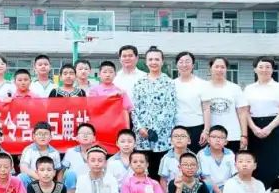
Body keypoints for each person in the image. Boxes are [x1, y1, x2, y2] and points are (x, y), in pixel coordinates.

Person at [243, 56, 279, 184]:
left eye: (268, 67)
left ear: (272, 69)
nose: (264, 70)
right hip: (254, 128)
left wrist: (269, 127)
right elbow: (245, 111)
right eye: (261, 67)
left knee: (277, 162)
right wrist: (253, 128)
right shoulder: (249, 88)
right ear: (255, 69)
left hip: (275, 127)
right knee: (257, 162)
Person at [130, 46, 176, 177]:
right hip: (141, 136)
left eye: (157, 59)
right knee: (142, 170)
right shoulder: (139, 83)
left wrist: (153, 130)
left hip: (161, 136)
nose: (153, 62)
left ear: (162, 61)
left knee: (160, 171)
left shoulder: (169, 83)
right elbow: (134, 107)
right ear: (146, 62)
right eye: (150, 59)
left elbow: (169, 109)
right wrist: (140, 128)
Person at [201, 57, 249, 154]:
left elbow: (242, 113)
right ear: (210, 68)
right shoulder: (203, 87)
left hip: (232, 136)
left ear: (226, 69)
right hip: (211, 137)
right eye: (216, 67)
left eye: (222, 67)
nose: (219, 70)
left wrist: (244, 135)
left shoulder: (235, 88)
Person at [173, 52, 207, 150]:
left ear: (193, 65)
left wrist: (206, 130)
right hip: (178, 128)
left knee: (197, 156)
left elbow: (206, 109)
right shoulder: (171, 84)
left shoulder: (202, 84)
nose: (184, 65)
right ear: (176, 65)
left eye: (187, 62)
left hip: (197, 127)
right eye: (181, 62)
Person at [198, 125, 237, 193]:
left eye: (221, 138)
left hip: (227, 187)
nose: (217, 140)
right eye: (214, 137)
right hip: (210, 189)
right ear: (208, 139)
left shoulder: (230, 154)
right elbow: (207, 179)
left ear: (226, 142)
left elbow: (235, 174)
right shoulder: (202, 155)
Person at [87, 61, 133, 128]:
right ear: (99, 74)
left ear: (115, 74)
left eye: (111, 72)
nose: (108, 75)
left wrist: (127, 128)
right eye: (104, 72)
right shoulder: (93, 91)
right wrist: (111, 96)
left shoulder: (121, 92)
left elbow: (126, 111)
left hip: (116, 127)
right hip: (98, 126)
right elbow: (92, 107)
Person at [18, 122, 63, 186]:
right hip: (32, 181)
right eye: (39, 134)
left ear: (50, 137)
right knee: (21, 177)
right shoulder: (28, 150)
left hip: (49, 181)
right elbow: (24, 168)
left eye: (46, 134)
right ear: (34, 136)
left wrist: (59, 185)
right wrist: (41, 178)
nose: (42, 136)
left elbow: (57, 170)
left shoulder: (55, 152)